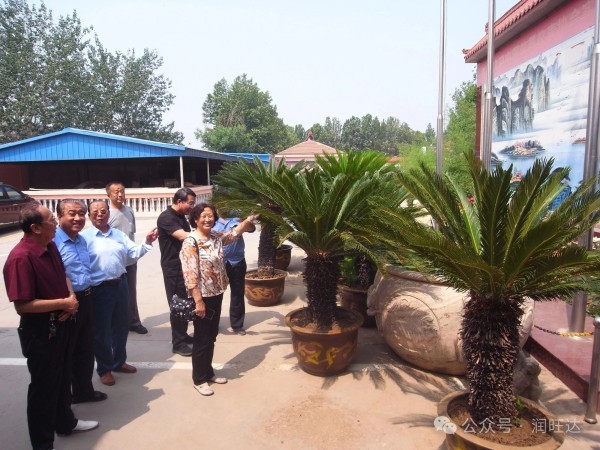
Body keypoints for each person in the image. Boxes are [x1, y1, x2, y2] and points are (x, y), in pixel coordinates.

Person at [3, 203, 98, 449]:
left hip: (63, 324)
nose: (56, 223)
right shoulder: (21, 258)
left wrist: (70, 297)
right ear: (35, 228)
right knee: (44, 389)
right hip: (41, 333)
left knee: (64, 377)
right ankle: (43, 444)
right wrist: (63, 303)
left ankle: (66, 422)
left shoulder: (50, 245)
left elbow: (63, 274)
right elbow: (23, 305)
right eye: (51, 220)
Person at [180, 203, 256, 396]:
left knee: (211, 335)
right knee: (202, 338)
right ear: (195, 219)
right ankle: (199, 379)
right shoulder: (191, 242)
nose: (208, 219)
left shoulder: (215, 237)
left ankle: (208, 372)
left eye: (210, 216)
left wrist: (248, 220)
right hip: (203, 297)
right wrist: (198, 302)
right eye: (203, 216)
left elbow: (233, 234)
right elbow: (190, 276)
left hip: (216, 293)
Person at [82, 200, 158, 386]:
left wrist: (147, 242)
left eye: (103, 211)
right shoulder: (84, 238)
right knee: (102, 331)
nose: (100, 214)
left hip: (121, 285)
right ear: (89, 215)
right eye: (95, 211)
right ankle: (105, 369)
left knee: (121, 327)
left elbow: (133, 253)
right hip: (99, 289)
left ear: (109, 213)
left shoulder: (118, 235)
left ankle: (119, 361)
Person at [53, 199, 107, 404]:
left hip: (86, 298)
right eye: (72, 214)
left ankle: (83, 391)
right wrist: (65, 301)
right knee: (67, 351)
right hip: (67, 303)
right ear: (59, 217)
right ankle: (63, 399)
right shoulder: (53, 243)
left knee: (85, 348)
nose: (78, 218)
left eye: (81, 214)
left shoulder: (81, 240)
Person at [157, 187, 196, 356]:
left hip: (184, 267)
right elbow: (182, 236)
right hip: (173, 269)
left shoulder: (180, 216)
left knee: (186, 303)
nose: (192, 207)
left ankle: (183, 335)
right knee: (178, 304)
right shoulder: (166, 217)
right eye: (190, 203)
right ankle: (178, 343)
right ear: (179, 201)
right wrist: (204, 234)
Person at [106, 181, 147, 334]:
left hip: (130, 260)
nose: (120, 194)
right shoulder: (106, 214)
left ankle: (134, 322)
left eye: (122, 191)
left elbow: (131, 234)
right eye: (116, 192)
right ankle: (116, 323)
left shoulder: (129, 210)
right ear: (108, 195)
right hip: (114, 262)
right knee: (114, 294)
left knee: (131, 292)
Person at [212, 212, 256, 335]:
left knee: (237, 293)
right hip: (218, 264)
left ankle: (237, 325)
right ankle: (213, 325)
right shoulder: (212, 221)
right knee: (215, 296)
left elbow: (251, 229)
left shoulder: (237, 219)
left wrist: (247, 221)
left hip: (237, 262)